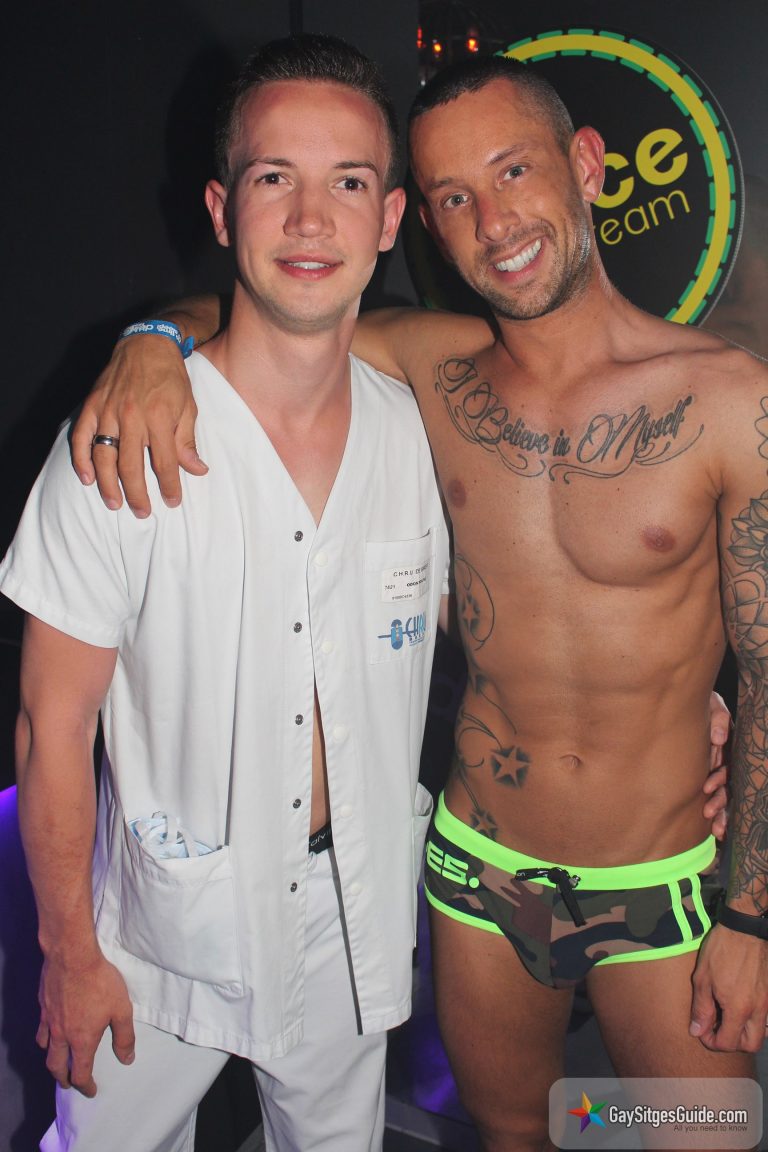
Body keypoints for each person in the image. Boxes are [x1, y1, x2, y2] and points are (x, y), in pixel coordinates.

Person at [72, 52, 768, 1150]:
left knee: (698, 1132)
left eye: (514, 171)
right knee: (516, 1130)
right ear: (425, 224)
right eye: (452, 196)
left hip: (662, 882)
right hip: (476, 871)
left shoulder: (729, 401)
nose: (494, 222)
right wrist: (151, 341)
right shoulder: (429, 366)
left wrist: (753, 916)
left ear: (588, 167)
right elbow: (268, 305)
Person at [0, 35, 453, 1152]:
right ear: (220, 206)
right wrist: (67, 953)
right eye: (273, 177)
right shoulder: (120, 445)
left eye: (349, 182)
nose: (310, 219)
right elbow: (52, 726)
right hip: (159, 942)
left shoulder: (419, 440)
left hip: (351, 916)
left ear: (390, 219)